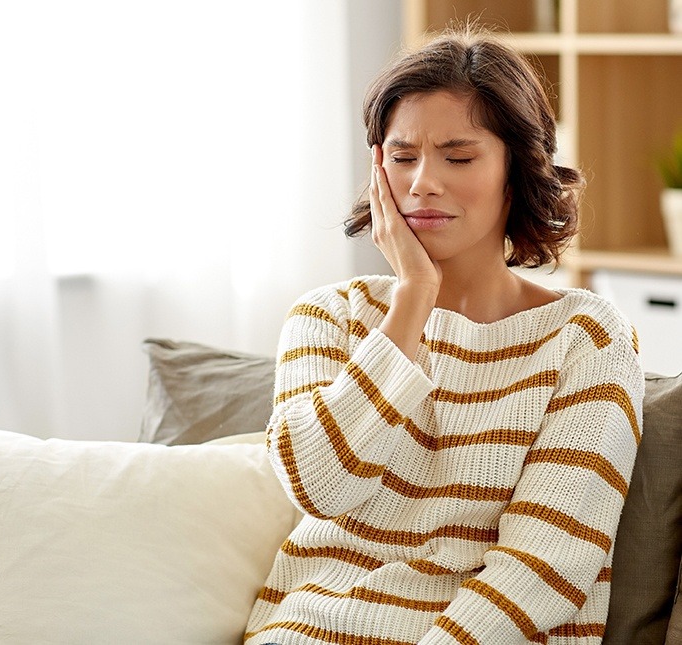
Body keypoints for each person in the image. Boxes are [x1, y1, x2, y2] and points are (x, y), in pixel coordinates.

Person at [244, 24, 644, 645]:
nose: (422, 182)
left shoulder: (586, 337)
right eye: (401, 157)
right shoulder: (326, 317)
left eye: (458, 157)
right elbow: (318, 488)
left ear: (517, 172)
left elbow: (548, 566)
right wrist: (411, 302)